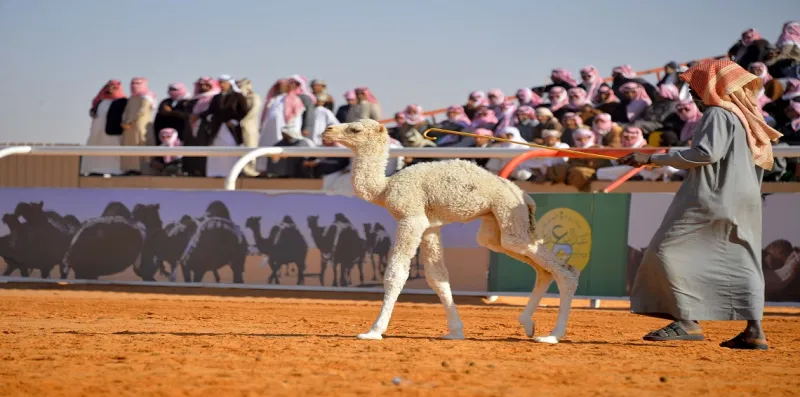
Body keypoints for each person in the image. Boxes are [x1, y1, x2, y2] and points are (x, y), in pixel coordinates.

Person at [619, 59, 783, 350]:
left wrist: (651, 157)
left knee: (664, 250)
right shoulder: (747, 116)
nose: (692, 92)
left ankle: (687, 321)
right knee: (742, 259)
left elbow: (705, 154)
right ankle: (754, 331)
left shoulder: (717, 114)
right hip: (743, 199)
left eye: (695, 85)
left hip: (712, 196)